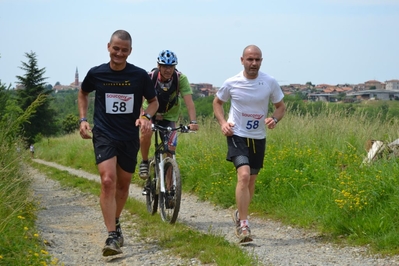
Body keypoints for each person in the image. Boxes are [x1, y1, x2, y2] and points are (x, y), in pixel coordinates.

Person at [78, 29, 159, 257]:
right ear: (108, 47)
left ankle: (116, 221)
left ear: (130, 51)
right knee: (107, 181)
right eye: (116, 48)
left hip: (128, 136)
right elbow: (83, 93)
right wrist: (83, 119)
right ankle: (112, 236)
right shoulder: (96, 73)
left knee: (123, 186)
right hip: (104, 133)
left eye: (124, 50)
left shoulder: (139, 75)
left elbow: (153, 103)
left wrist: (145, 117)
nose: (119, 53)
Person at [212, 45, 286, 243]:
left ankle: (239, 212)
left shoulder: (269, 82)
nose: (254, 64)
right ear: (242, 60)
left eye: (258, 60)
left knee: (251, 180)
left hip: (258, 137)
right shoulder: (232, 82)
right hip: (237, 134)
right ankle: (243, 225)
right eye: (250, 59)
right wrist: (223, 123)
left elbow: (280, 107)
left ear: (261, 61)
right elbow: (217, 102)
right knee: (243, 175)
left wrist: (274, 119)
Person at [139, 50, 199, 186]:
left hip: (169, 115)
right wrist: (141, 118)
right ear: (158, 66)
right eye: (164, 66)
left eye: (171, 66)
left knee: (170, 150)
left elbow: (189, 102)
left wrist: (193, 122)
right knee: (146, 132)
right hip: (150, 113)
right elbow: (140, 100)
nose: (168, 70)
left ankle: (169, 188)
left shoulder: (180, 79)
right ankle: (144, 161)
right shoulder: (150, 77)